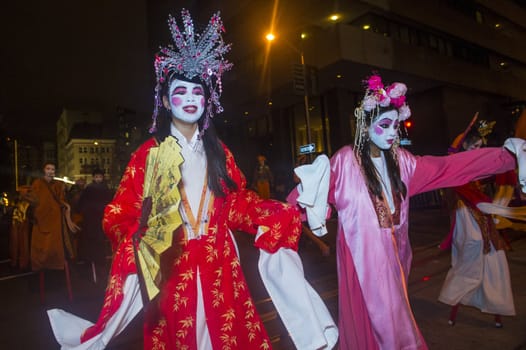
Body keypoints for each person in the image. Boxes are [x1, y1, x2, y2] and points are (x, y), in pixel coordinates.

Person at [47, 9, 337, 350]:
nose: (189, 99)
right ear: (167, 101)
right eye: (180, 92)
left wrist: (283, 210)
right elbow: (120, 212)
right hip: (173, 266)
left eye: (197, 93)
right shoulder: (147, 155)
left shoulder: (219, 154)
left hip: (220, 265)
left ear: (207, 101)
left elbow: (237, 204)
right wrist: (141, 234)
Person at [289, 73, 526, 349]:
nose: (392, 132)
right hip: (360, 262)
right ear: (366, 127)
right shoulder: (344, 162)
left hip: (394, 264)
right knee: (389, 332)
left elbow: (449, 168)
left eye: (396, 126)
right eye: (385, 125)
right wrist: (276, 216)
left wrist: (505, 157)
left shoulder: (404, 163)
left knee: (390, 325)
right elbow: (305, 199)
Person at [438, 121, 516, 328]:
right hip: (470, 226)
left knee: (495, 265)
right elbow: (459, 202)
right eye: (474, 146)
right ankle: (457, 305)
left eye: (480, 147)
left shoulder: (473, 169)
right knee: (470, 263)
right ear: (464, 146)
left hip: (484, 228)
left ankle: (497, 309)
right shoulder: (456, 170)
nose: (478, 150)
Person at [26, 162, 79, 271]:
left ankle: (56, 269)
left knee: (55, 247)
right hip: (42, 219)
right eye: (48, 169)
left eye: (53, 169)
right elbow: (33, 200)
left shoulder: (58, 185)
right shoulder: (37, 184)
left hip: (55, 221)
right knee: (42, 246)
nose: (50, 171)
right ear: (44, 170)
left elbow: (62, 200)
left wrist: (66, 207)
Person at [77, 169, 113, 283]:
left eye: (100, 177)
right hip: (91, 220)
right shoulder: (89, 188)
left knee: (99, 242)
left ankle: (98, 265)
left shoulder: (105, 189)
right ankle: (91, 265)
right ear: (94, 177)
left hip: (100, 220)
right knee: (92, 242)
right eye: (96, 177)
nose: (98, 179)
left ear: (102, 177)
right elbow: (82, 203)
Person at [9, 186, 32, 271]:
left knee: (23, 243)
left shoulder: (27, 203)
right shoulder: (18, 202)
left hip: (23, 224)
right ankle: (16, 262)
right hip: (16, 223)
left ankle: (22, 263)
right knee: (15, 243)